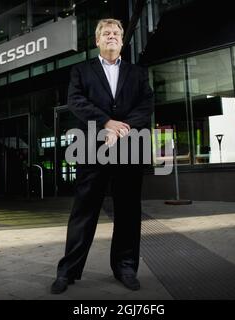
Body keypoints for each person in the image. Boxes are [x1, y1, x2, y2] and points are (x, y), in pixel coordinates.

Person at [51, 18, 154, 294]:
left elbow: (146, 104)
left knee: (128, 211)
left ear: (122, 41)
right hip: (90, 147)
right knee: (84, 211)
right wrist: (107, 122)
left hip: (129, 148)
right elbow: (76, 101)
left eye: (116, 33)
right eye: (106, 33)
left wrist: (124, 127)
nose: (111, 36)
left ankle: (126, 267)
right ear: (97, 40)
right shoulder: (81, 71)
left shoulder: (137, 73)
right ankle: (67, 272)